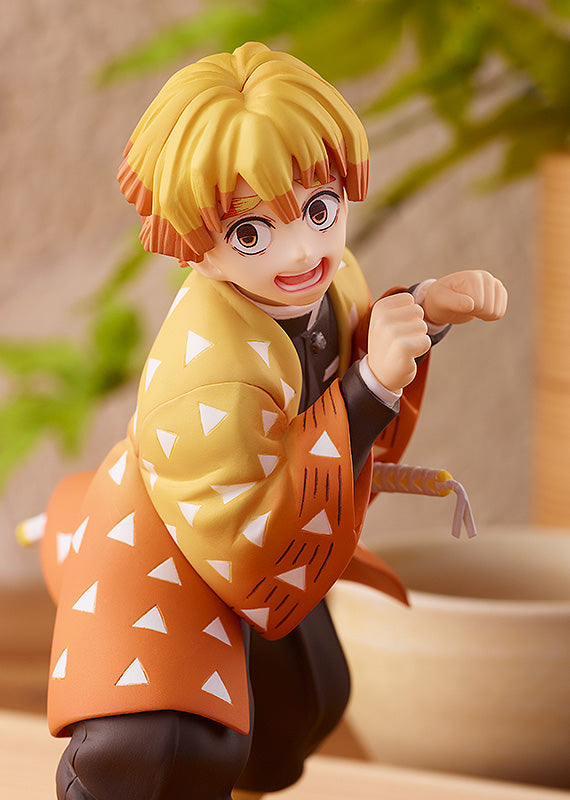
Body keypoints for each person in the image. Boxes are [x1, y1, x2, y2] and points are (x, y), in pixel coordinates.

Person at [23, 42, 507, 800]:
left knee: (309, 700)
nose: (304, 251)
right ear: (194, 244)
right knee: (165, 744)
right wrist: (373, 385)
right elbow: (245, 521)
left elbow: (352, 349)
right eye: (250, 232)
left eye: (321, 209)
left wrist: (423, 311)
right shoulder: (205, 368)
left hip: (261, 552)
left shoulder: (331, 281)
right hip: (169, 547)